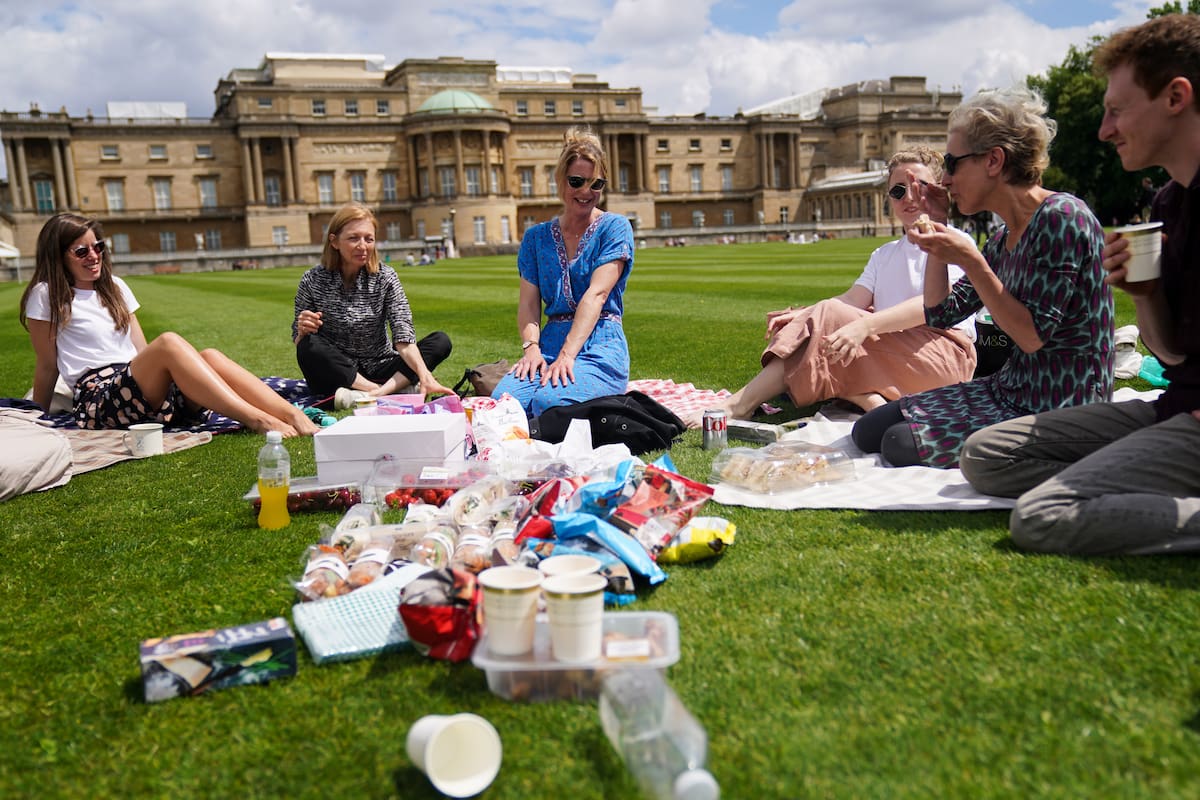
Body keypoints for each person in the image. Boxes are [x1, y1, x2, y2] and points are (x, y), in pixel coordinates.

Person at [959, 15, 1200, 555]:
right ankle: (1125, 478)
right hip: (1173, 406)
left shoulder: (1062, 215)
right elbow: (1172, 354)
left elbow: (1032, 336)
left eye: (1117, 110)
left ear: (1176, 97)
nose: (1104, 129)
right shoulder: (1167, 205)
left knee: (1041, 516)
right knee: (983, 455)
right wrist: (1145, 293)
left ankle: (1114, 484)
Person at [850, 86, 1114, 469]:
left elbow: (1031, 336)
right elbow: (940, 313)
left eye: (953, 163)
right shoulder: (1003, 237)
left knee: (898, 444)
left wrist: (972, 261)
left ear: (993, 161)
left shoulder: (1063, 218)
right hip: (1011, 388)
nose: (946, 179)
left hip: (1064, 404)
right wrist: (938, 229)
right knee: (867, 431)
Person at [682, 147, 978, 429]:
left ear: (939, 190)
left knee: (831, 320)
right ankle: (867, 397)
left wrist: (863, 327)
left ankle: (739, 405)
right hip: (899, 352)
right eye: (898, 190)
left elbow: (934, 306)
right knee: (825, 322)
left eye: (920, 186)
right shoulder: (884, 254)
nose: (909, 197)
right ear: (888, 197)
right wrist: (802, 315)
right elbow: (852, 300)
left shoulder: (954, 241)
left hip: (943, 358)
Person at [19, 213, 319, 437]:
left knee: (210, 356)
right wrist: (37, 417)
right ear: (58, 257)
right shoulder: (47, 294)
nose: (94, 256)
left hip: (138, 389)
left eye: (98, 247)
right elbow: (47, 366)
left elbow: (142, 352)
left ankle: (293, 415)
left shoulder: (116, 287)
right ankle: (258, 419)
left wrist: (171, 377)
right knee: (169, 343)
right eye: (81, 251)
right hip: (100, 400)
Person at [492, 127, 634, 416]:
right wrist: (531, 348)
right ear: (560, 180)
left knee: (550, 403)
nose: (586, 192)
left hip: (600, 342)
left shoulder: (615, 227)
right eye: (577, 181)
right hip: (549, 342)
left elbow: (597, 294)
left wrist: (568, 355)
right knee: (505, 403)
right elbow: (528, 303)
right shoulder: (536, 238)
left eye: (596, 184)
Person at [293, 203, 454, 407]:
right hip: (337, 370)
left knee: (440, 341)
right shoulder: (312, 280)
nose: (363, 246)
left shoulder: (385, 277)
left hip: (381, 365)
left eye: (369, 239)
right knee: (308, 344)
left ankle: (372, 394)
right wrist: (302, 330)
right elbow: (299, 343)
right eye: (354, 238)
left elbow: (403, 336)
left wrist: (424, 375)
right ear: (334, 242)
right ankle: (385, 391)